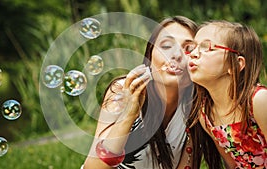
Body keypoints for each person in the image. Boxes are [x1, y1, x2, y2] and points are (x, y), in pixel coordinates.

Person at [82, 16, 198, 169]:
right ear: (150, 54)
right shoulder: (122, 91)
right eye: (166, 46)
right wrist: (130, 112)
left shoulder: (196, 109)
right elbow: (93, 168)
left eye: (188, 49)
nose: (177, 55)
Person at [187, 20, 267, 168]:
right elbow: (232, 165)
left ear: (236, 65)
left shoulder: (258, 101)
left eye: (206, 47)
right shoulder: (206, 114)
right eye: (192, 47)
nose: (193, 54)